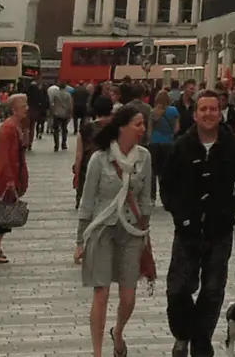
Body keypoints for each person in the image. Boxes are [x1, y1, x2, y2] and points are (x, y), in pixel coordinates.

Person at [161, 90, 235, 357]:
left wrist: (233, 207)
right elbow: (167, 185)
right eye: (203, 109)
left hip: (219, 229)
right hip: (187, 229)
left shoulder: (233, 147)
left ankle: (201, 343)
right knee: (179, 288)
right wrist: (179, 213)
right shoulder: (181, 146)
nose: (208, 114)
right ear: (195, 114)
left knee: (213, 290)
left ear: (220, 112)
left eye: (213, 109)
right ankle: (183, 333)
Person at [77, 103, 154, 357]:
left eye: (143, 124)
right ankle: (97, 352)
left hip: (131, 231)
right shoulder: (100, 158)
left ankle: (118, 331)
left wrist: (145, 230)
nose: (142, 129)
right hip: (102, 230)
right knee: (101, 291)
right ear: (122, 127)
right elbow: (87, 200)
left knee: (128, 296)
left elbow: (146, 198)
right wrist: (80, 240)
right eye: (138, 124)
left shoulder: (144, 157)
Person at [0, 92, 31, 266]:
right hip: (6, 178)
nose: (26, 108)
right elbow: (4, 157)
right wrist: (10, 180)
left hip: (12, 176)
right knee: (0, 213)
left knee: (4, 213)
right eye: (23, 105)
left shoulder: (15, 126)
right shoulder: (8, 128)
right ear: (14, 109)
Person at [149, 93, 181, 202]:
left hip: (154, 142)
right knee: (165, 171)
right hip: (168, 142)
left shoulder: (153, 111)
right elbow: (177, 128)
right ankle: (164, 196)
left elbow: (150, 129)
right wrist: (169, 134)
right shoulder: (173, 110)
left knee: (153, 171)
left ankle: (152, 196)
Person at [49, 79, 75, 152]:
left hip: (57, 113)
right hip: (65, 114)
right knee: (64, 129)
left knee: (56, 130)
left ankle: (56, 145)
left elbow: (51, 103)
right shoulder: (68, 94)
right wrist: (70, 114)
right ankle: (64, 144)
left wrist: (52, 111)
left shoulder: (55, 94)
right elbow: (70, 105)